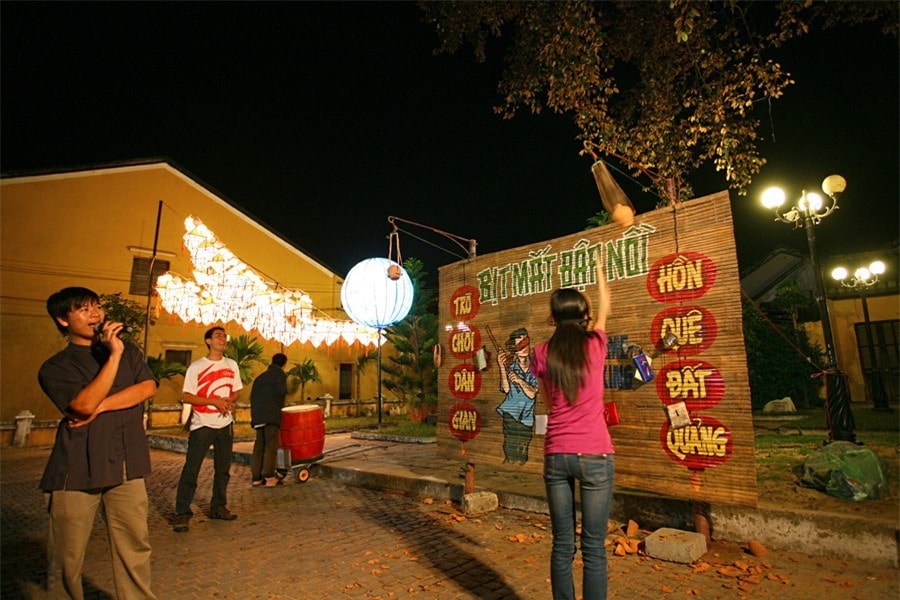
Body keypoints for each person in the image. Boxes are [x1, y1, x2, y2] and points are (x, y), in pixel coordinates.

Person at [38, 287, 157, 599]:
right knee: (67, 556)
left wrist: (102, 406)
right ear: (63, 320)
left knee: (135, 547)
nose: (95, 315)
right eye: (83, 309)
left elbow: (146, 387)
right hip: (76, 469)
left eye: (97, 307)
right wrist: (113, 357)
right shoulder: (56, 367)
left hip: (127, 464)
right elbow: (82, 404)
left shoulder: (128, 351)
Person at [530, 262, 614, 600]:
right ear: (585, 315)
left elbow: (549, 402)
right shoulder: (595, 343)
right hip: (595, 453)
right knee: (594, 548)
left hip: (557, 454)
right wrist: (600, 272)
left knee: (562, 544)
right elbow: (606, 306)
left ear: (553, 318)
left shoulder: (541, 352)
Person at [174, 326, 242, 532]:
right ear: (208, 341)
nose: (223, 339)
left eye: (224, 336)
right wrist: (213, 401)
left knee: (223, 469)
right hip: (203, 423)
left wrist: (230, 399)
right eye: (218, 336)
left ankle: (218, 507)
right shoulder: (196, 367)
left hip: (225, 424)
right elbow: (187, 396)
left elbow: (237, 390)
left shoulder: (232, 365)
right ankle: (182, 513)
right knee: (192, 468)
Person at [495, 327, 538, 464]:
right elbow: (506, 389)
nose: (524, 348)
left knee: (523, 450)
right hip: (510, 414)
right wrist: (502, 366)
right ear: (514, 349)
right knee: (511, 448)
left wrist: (519, 380)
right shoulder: (511, 367)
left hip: (526, 418)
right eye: (520, 346)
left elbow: (532, 393)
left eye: (525, 343)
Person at [250, 353, 288, 487]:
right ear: (284, 364)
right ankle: (269, 476)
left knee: (259, 446)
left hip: (258, 415)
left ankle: (256, 477)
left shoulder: (260, 377)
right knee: (271, 445)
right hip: (271, 415)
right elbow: (281, 393)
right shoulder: (280, 376)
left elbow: (252, 397)